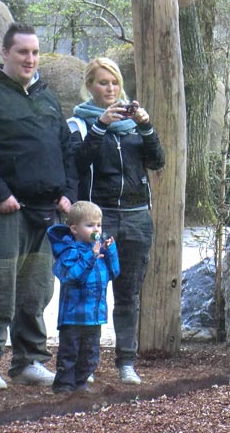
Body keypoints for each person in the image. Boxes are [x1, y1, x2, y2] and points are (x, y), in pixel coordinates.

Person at [0, 22, 78, 391]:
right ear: (5, 53)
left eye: (35, 52)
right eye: (23, 51)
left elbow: (66, 148)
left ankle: (29, 361)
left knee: (36, 289)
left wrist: (67, 193)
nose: (30, 59)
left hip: (47, 211)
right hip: (6, 210)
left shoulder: (47, 97)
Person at [69, 57, 165, 385]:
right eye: (102, 82)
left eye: (114, 83)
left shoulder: (133, 125)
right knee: (92, 289)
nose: (109, 89)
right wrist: (101, 127)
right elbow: (80, 163)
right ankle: (88, 364)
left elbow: (157, 160)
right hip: (100, 217)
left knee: (129, 294)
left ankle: (126, 362)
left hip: (137, 218)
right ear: (89, 86)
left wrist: (147, 125)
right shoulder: (81, 123)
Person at [47, 201, 119, 393]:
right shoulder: (69, 252)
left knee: (90, 353)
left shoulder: (97, 251)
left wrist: (110, 252)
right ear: (74, 229)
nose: (96, 229)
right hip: (73, 316)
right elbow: (72, 277)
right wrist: (91, 257)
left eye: (98, 225)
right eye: (90, 225)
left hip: (94, 316)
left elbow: (114, 274)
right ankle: (64, 385)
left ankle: (81, 383)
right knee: (69, 352)